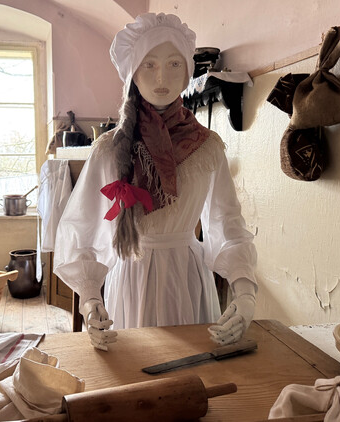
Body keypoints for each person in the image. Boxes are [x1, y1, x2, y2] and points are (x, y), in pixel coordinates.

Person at [53, 12, 257, 351]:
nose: (162, 77)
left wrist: (245, 290)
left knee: (191, 371)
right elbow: (82, 228)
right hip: (131, 280)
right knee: (134, 372)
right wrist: (90, 299)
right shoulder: (109, 150)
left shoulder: (207, 147)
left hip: (188, 280)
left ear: (188, 72)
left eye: (174, 64)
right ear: (133, 72)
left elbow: (228, 224)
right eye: (149, 65)